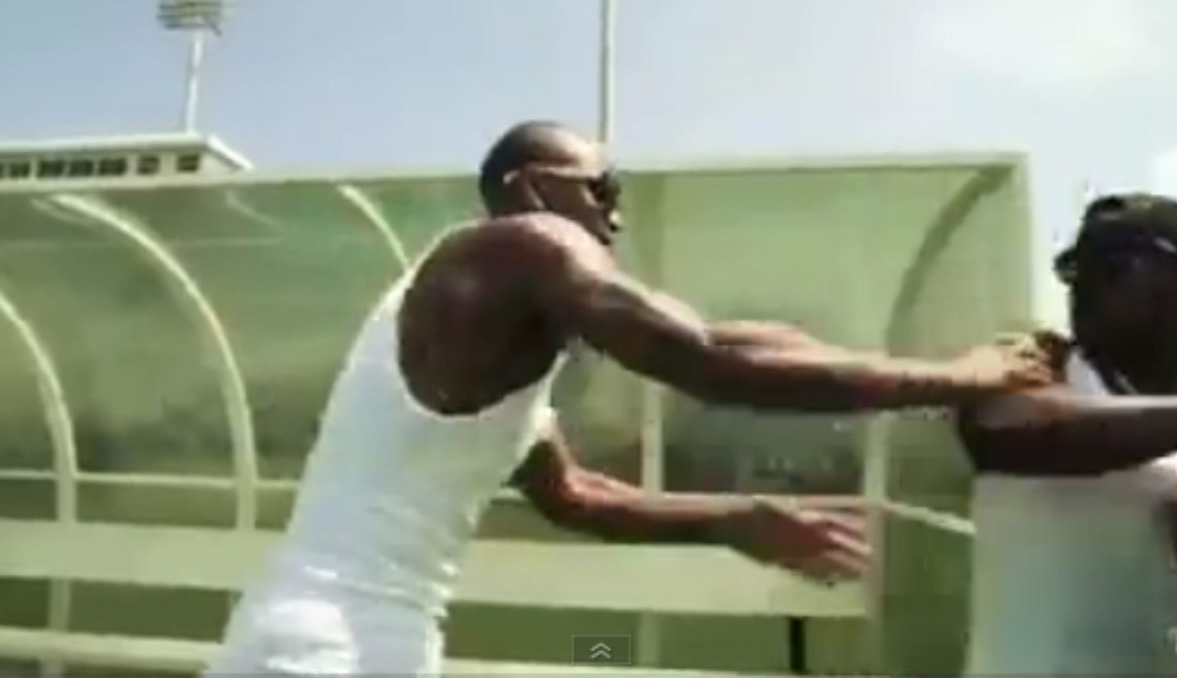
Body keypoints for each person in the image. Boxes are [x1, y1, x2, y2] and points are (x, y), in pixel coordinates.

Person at [204, 120, 1052, 676]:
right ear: (531, 189)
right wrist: (965, 377)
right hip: (325, 651)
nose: (616, 217)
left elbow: (578, 493)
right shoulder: (519, 245)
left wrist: (737, 520)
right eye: (601, 189)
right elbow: (707, 357)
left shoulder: (490, 349)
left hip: (339, 642)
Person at [959, 193, 1177, 676]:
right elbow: (1015, 426)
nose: (1086, 287)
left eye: (1119, 268)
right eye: (1078, 270)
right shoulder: (1032, 366)